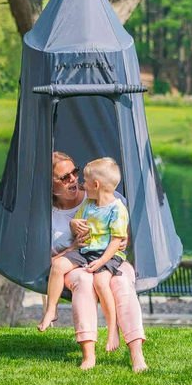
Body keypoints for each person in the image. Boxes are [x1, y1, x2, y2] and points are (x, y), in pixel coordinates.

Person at [41, 151, 148, 372]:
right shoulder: (46, 215)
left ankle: (136, 354)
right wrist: (72, 247)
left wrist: (123, 237)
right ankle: (88, 354)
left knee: (120, 283)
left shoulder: (107, 198)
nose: (74, 180)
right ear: (50, 184)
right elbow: (47, 261)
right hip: (75, 262)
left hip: (109, 258)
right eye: (64, 178)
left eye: (75, 173)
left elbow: (122, 234)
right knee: (84, 281)